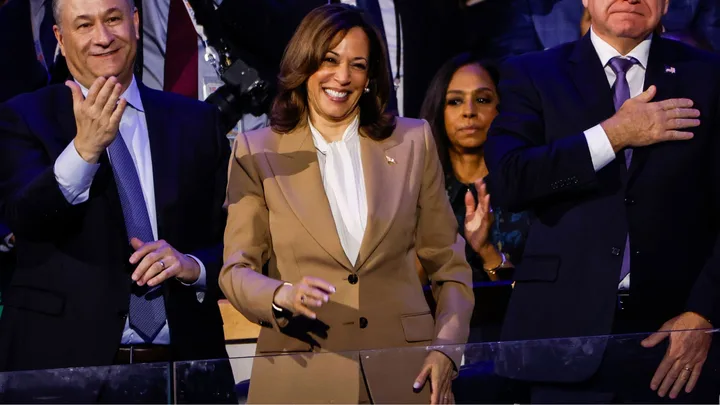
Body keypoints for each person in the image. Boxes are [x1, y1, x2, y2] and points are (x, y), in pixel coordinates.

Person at [220, 4, 474, 404]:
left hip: (406, 377)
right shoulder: (258, 150)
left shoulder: (412, 141)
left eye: (358, 65)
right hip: (300, 376)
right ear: (305, 64)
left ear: (370, 77)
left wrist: (447, 349)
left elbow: (450, 266)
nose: (343, 77)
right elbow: (236, 271)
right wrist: (281, 295)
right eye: (330, 60)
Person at [485, 0, 720, 402]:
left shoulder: (709, 76)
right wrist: (612, 135)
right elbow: (510, 180)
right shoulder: (534, 73)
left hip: (674, 341)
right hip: (561, 339)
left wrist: (704, 313)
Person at [0, 0, 231, 386]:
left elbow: (235, 243)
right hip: (64, 376)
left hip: (185, 370)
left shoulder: (197, 122)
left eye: (112, 20)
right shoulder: (22, 117)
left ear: (135, 22)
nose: (103, 38)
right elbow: (26, 219)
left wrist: (194, 265)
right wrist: (83, 151)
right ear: (60, 36)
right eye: (84, 25)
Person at [420, 53, 530, 284]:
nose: (469, 111)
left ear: (501, 109)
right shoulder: (419, 191)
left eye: (482, 100)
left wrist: (486, 250)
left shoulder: (526, 188)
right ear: (439, 110)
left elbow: (532, 298)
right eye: (455, 101)